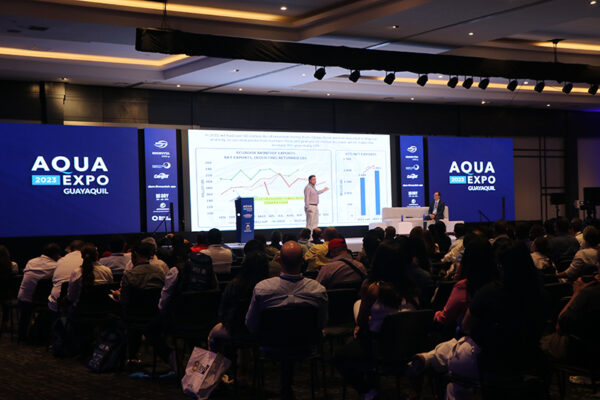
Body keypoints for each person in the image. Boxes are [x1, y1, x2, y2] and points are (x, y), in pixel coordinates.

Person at [245, 241, 328, 400]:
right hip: (305, 346)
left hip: (270, 345)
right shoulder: (318, 290)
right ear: (303, 260)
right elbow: (322, 323)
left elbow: (251, 324)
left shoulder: (262, 288)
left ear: (279, 260)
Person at [208, 252, 269, 383]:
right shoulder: (269, 288)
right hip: (263, 333)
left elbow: (223, 312)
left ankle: (215, 375)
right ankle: (241, 370)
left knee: (212, 335)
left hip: (237, 331)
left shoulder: (235, 285)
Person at [17, 243, 62, 339]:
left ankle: (23, 334)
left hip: (23, 299)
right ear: (56, 254)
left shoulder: (31, 262)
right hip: (40, 301)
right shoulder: (55, 266)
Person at [66, 243, 113, 309]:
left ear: (82, 257)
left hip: (81, 311)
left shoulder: (76, 273)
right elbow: (110, 290)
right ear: (97, 255)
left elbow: (71, 297)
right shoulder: (107, 271)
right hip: (103, 309)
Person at [48, 240, 84, 313]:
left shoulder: (60, 261)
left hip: (57, 304)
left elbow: (54, 281)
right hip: (82, 305)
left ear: (70, 250)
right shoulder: (86, 260)